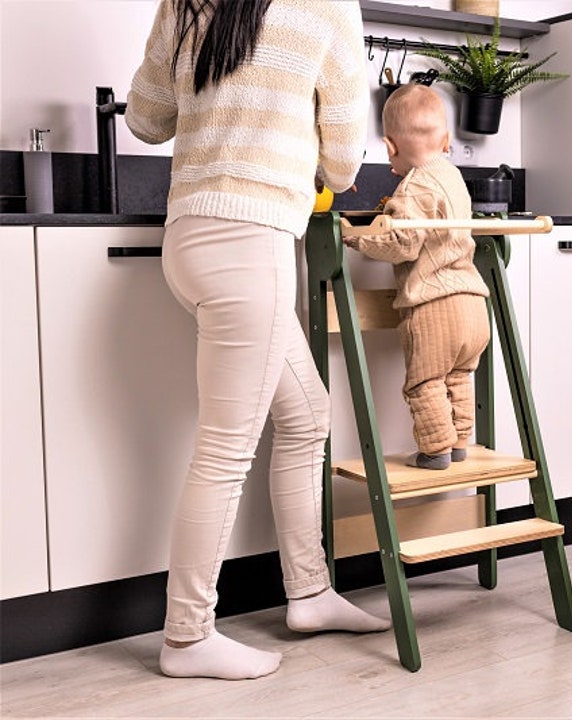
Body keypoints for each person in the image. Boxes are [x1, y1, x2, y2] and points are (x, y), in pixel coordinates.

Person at [126, 0, 389, 681]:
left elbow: (146, 119)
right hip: (250, 237)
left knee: (306, 416)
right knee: (225, 449)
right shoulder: (326, 5)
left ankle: (308, 593)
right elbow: (341, 160)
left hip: (188, 235)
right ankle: (187, 636)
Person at [344, 84, 491, 471]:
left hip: (434, 306)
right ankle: (458, 442)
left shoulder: (412, 186)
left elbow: (403, 242)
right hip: (474, 304)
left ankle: (435, 449)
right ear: (446, 142)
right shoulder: (454, 178)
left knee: (425, 382)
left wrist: (358, 240)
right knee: (459, 377)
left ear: (389, 147)